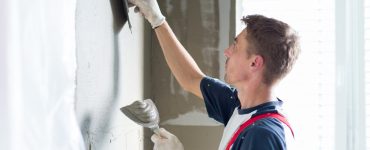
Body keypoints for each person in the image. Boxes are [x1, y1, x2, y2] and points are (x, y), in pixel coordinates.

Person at [129, 0, 301, 149]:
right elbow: (191, 78)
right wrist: (156, 18)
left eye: (236, 46)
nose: (227, 52)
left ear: (254, 63)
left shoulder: (262, 135)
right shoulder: (241, 106)